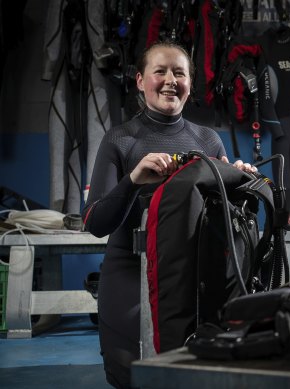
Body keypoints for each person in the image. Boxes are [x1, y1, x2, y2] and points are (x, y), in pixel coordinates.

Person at [82, 41, 256, 389]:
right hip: (131, 273)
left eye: (179, 72)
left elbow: (225, 224)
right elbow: (94, 223)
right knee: (135, 377)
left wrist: (239, 183)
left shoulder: (209, 141)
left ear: (190, 82)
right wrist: (132, 181)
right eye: (159, 71)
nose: (169, 80)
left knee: (196, 377)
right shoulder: (120, 140)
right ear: (140, 80)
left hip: (192, 275)